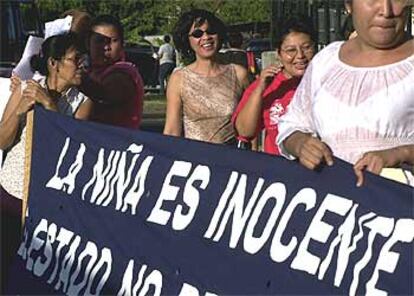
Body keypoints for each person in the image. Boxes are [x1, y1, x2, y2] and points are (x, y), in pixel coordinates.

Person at [277, 0, 414, 187]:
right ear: (349, 5)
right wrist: (300, 144)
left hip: (400, 206)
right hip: (333, 203)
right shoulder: (326, 61)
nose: (386, 10)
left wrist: (401, 154)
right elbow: (292, 123)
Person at [0, 32, 92, 290]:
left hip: (49, 202)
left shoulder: (83, 104)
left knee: (34, 275)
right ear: (54, 63)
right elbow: (2, 141)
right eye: (76, 59)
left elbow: (69, 151)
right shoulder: (26, 87)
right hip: (10, 194)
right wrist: (19, 113)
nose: (83, 65)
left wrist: (50, 106)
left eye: (85, 59)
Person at [163, 9, 249, 145]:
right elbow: (172, 131)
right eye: (197, 34)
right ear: (187, 40)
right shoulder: (178, 78)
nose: (206, 37)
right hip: (194, 160)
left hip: (231, 160)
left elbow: (253, 123)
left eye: (211, 31)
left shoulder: (239, 74)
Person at [232, 17, 316, 155]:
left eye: (306, 48)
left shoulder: (326, 80)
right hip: (278, 172)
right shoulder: (267, 85)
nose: (300, 55)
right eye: (291, 50)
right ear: (279, 53)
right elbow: (244, 132)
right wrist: (260, 89)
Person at [80, 15, 144, 129]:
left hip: (120, 143)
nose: (106, 47)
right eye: (99, 41)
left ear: (122, 44)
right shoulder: (89, 69)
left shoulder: (124, 72)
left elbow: (104, 93)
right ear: (87, 43)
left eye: (113, 41)